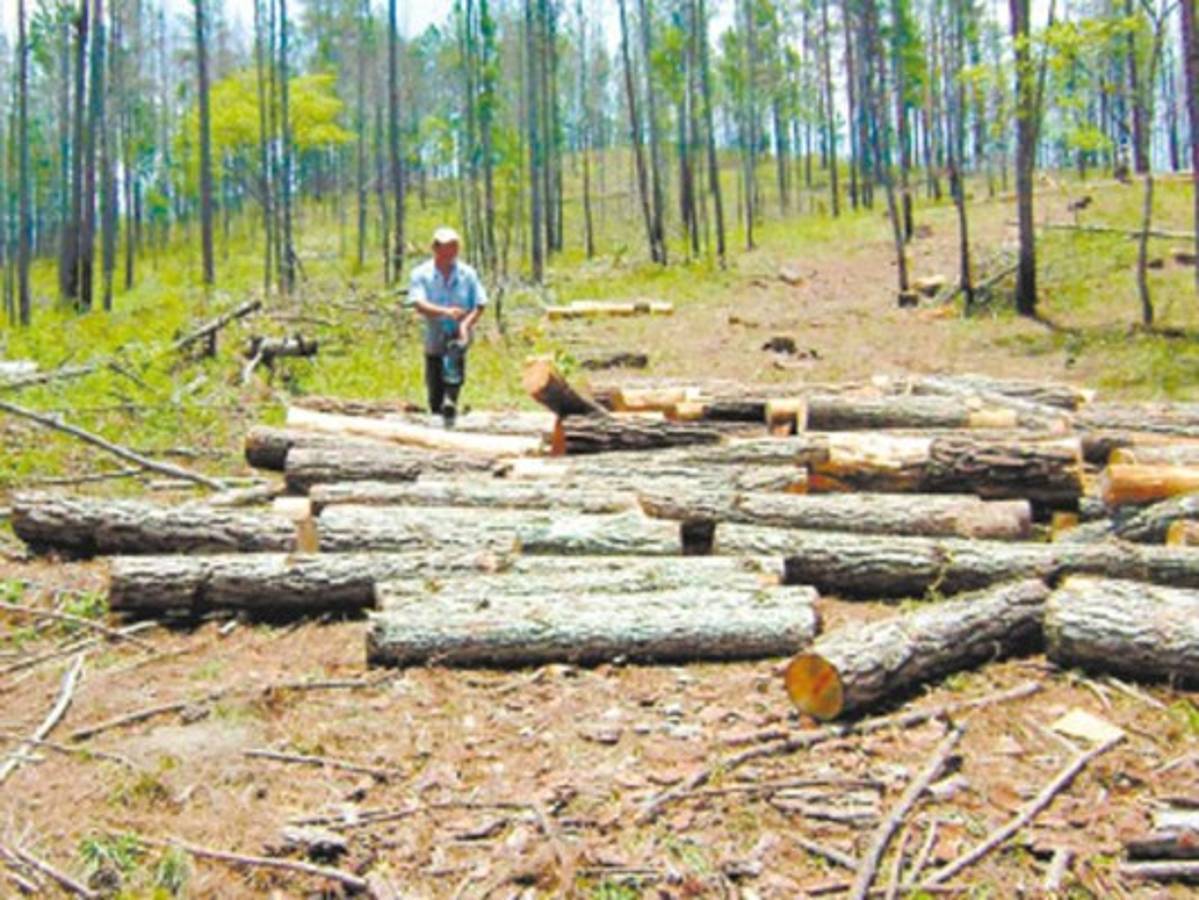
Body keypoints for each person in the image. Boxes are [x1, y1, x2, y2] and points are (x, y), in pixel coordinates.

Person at [405, 227, 488, 426]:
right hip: (434, 331)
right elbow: (417, 303)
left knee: (454, 358)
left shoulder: (467, 274)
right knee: (434, 378)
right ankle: (437, 409)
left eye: (454, 246)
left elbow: (480, 303)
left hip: (459, 330)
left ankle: (450, 402)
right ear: (435, 248)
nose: (451, 251)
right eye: (446, 246)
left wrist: (466, 325)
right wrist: (445, 312)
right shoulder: (421, 273)